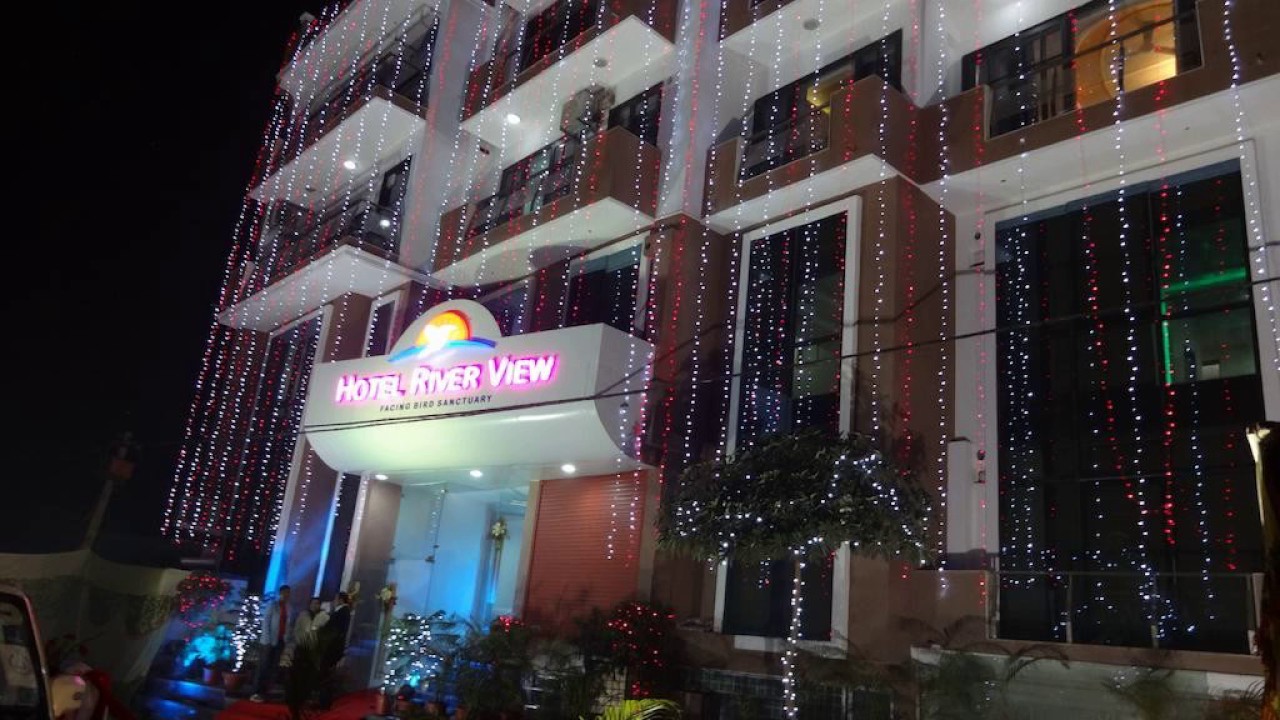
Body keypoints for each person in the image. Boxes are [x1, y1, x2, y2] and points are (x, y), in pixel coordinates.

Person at [250, 585, 293, 703]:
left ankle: (265, 692)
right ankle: (256, 691)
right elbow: (266, 622)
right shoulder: (273, 605)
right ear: (280, 593)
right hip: (269, 640)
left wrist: (286, 638)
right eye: (285, 593)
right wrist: (267, 639)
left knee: (273, 667)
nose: (287, 595)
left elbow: (288, 624)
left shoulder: (289, 607)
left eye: (288, 593)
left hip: (280, 640)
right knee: (263, 666)